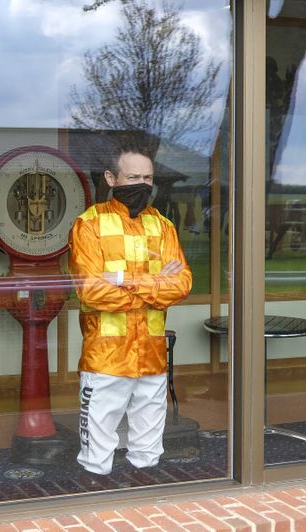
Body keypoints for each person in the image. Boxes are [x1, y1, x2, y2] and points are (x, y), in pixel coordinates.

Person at [68, 142, 192, 476]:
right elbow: (92, 292)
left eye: (147, 177)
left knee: (149, 454)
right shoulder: (89, 225)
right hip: (106, 358)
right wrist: (155, 285)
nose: (141, 184)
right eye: (132, 176)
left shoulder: (163, 226)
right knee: (96, 457)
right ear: (111, 177)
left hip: (152, 356)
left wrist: (124, 280)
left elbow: (181, 285)